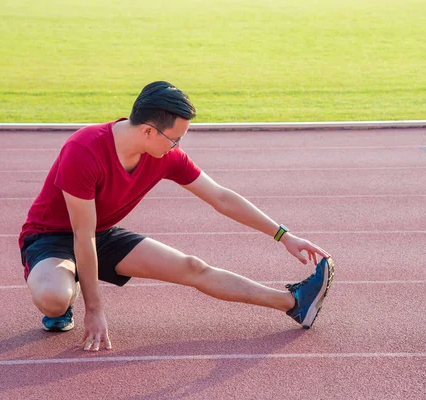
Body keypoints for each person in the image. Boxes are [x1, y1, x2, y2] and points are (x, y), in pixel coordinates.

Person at [19, 81, 335, 352]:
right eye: (175, 139)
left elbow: (221, 197)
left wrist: (283, 235)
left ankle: (294, 303)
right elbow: (81, 235)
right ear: (147, 131)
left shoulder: (165, 156)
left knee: (192, 267)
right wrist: (94, 308)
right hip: (51, 238)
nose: (178, 146)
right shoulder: (84, 149)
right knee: (54, 297)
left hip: (100, 233)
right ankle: (63, 292)